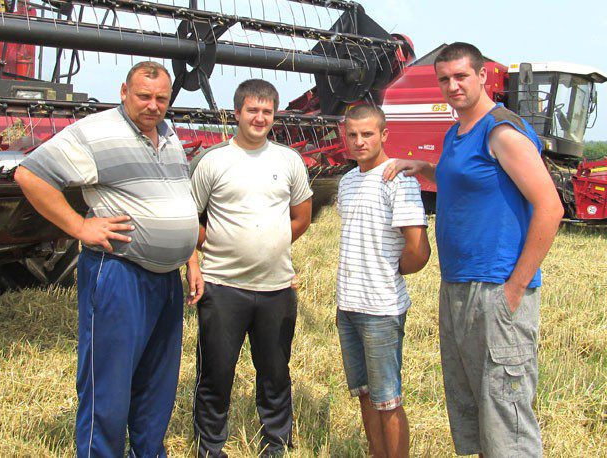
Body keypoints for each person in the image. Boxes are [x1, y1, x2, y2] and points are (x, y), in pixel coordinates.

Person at [383, 43, 564, 457]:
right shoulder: (457, 133)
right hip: (458, 287)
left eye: (461, 76)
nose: (453, 86)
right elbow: (470, 180)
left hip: (496, 288)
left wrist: (514, 288)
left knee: (506, 418)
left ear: (482, 76)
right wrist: (425, 169)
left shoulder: (500, 131)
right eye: (444, 79)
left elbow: (550, 207)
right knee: (475, 410)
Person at [14, 61, 203, 457]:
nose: (153, 106)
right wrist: (80, 227)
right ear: (123, 92)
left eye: (161, 99)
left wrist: (190, 257)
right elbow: (30, 175)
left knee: (157, 385)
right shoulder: (95, 132)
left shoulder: (168, 135)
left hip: (167, 279)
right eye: (144, 96)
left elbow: (177, 200)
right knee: (109, 386)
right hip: (119, 272)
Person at [190, 79, 313, 457]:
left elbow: (301, 217)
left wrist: (270, 246)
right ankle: (210, 447)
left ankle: (276, 444)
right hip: (222, 286)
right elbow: (190, 218)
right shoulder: (212, 161)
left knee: (275, 373)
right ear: (237, 113)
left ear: (274, 115)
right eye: (252, 110)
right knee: (216, 374)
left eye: (267, 112)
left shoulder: (288, 160)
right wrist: (215, 249)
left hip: (276, 288)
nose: (259, 118)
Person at [336, 105, 430, 458]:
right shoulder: (347, 181)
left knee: (387, 399)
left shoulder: (397, 179)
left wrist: (388, 270)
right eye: (352, 135)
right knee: (364, 393)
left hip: (381, 308)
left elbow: (418, 250)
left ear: (384, 135)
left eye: (367, 134)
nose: (359, 141)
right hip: (348, 305)